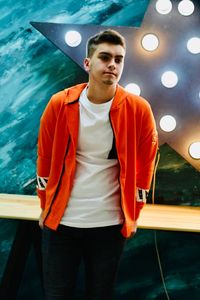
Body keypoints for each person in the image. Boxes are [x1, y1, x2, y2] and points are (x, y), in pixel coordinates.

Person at [36, 29, 158, 300]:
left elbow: (144, 170)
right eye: (105, 57)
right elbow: (44, 160)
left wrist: (134, 213)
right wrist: (45, 205)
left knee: (100, 295)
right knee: (56, 295)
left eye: (119, 59)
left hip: (109, 225)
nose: (112, 64)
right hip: (62, 223)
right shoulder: (60, 104)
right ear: (88, 63)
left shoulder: (138, 110)